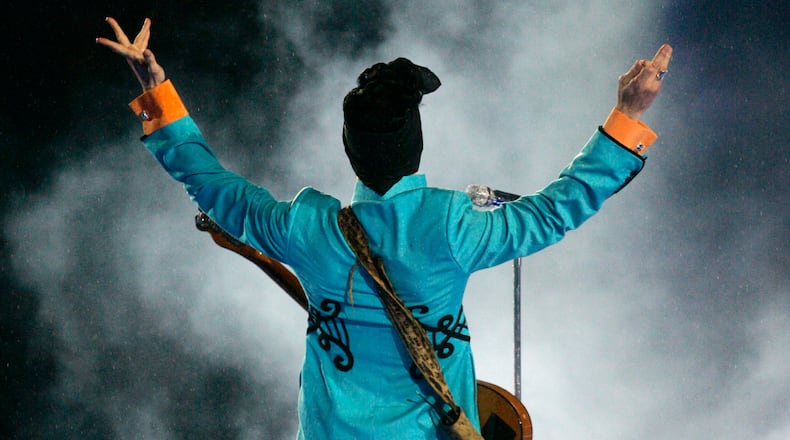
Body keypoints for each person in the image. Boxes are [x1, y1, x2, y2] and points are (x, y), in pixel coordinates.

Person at [98, 17, 672, 439]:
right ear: (417, 147)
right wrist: (628, 116)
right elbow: (555, 210)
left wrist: (157, 93)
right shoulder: (452, 226)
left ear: (349, 151)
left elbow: (212, 184)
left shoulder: (307, 227)